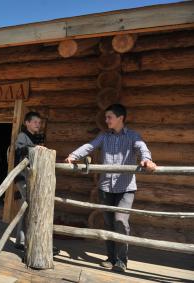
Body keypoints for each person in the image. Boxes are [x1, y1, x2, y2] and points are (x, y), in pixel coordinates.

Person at [65, 104, 156, 272]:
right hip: (106, 187)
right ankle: (111, 257)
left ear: (120, 118)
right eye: (106, 117)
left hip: (125, 187)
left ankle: (122, 260)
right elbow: (90, 146)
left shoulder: (133, 136)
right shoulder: (104, 136)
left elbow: (142, 148)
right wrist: (74, 155)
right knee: (108, 223)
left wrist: (146, 160)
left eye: (109, 117)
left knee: (120, 221)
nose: (106, 120)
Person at [13, 111, 59, 256]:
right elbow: (19, 149)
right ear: (27, 123)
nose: (37, 125)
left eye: (39, 123)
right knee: (32, 208)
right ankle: (31, 242)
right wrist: (35, 149)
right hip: (23, 178)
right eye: (35, 122)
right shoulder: (22, 136)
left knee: (25, 208)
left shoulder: (34, 137)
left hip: (31, 178)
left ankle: (20, 241)